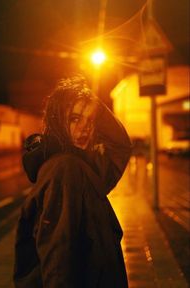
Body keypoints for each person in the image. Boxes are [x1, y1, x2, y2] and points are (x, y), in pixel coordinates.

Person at [13, 75, 132, 288]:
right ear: (58, 120)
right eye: (75, 119)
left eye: (90, 120)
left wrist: (93, 103)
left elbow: (119, 146)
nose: (84, 128)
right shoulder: (65, 169)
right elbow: (58, 253)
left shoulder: (81, 165)